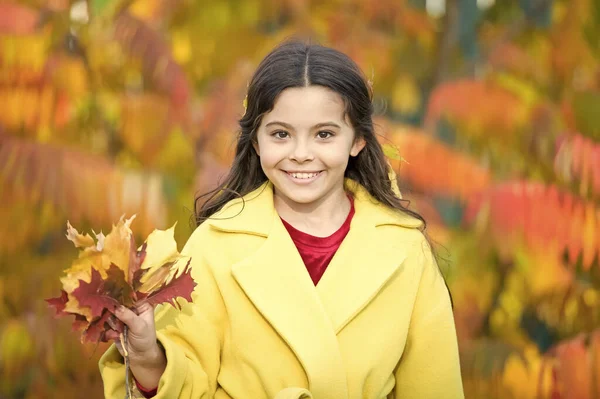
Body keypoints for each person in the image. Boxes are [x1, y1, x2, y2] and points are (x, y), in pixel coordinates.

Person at [99, 39, 464, 399]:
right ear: (256, 142)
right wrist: (148, 355)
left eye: (324, 134)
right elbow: (185, 384)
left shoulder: (403, 248)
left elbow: (435, 386)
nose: (301, 154)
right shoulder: (215, 246)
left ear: (357, 141)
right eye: (281, 134)